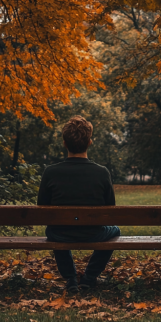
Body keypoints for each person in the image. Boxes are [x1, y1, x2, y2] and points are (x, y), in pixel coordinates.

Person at [37, 115, 120, 292]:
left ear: (65, 143)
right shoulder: (102, 172)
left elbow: (42, 207)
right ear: (90, 142)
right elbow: (110, 209)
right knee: (115, 230)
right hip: (93, 233)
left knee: (53, 229)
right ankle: (89, 277)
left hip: (60, 233)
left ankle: (70, 278)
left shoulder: (50, 172)